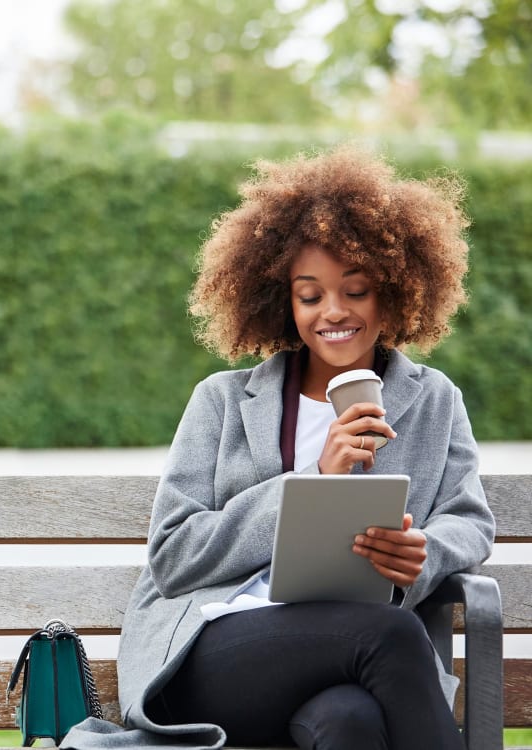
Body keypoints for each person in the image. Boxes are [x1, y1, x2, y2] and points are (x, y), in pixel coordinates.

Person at [61, 145, 495, 750]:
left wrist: (425, 552)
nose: (334, 312)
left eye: (357, 290)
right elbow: (174, 554)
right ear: (283, 304)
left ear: (392, 294)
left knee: (351, 723)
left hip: (350, 662)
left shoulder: (433, 398)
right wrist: (315, 476)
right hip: (217, 648)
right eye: (310, 295)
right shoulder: (223, 400)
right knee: (393, 634)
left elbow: (468, 519)